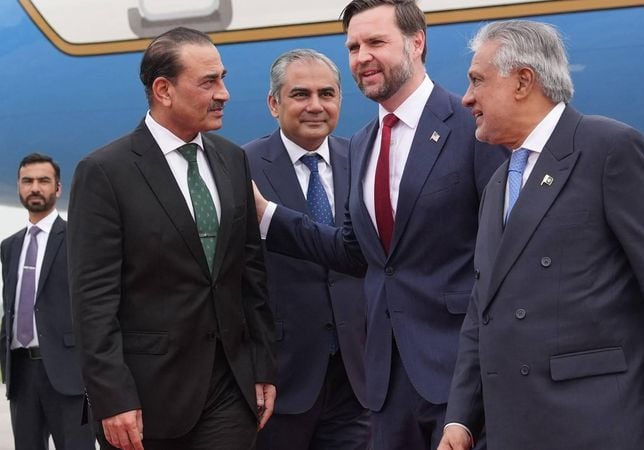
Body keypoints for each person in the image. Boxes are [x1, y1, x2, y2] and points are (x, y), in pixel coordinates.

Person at [437, 20, 644, 450]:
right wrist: (461, 420)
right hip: (514, 428)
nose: (467, 97)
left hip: (597, 424)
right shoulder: (497, 185)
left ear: (523, 81)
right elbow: (483, 310)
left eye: (477, 80)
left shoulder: (610, 149)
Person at [254, 1, 507, 448]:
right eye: (353, 47)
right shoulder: (364, 143)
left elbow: (506, 254)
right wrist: (268, 216)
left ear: (416, 42)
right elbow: (357, 253)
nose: (362, 57)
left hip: (461, 380)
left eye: (375, 42)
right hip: (385, 388)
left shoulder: (473, 127)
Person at [67, 27, 276, 450]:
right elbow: (93, 301)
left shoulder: (232, 159)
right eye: (208, 82)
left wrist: (262, 366)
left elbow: (249, 274)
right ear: (164, 90)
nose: (224, 94)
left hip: (230, 392)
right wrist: (112, 396)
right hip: (147, 401)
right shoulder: (105, 172)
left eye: (223, 79)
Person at [243, 48, 370, 450]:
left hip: (357, 378)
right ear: (273, 103)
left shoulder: (364, 159)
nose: (316, 106)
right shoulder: (242, 167)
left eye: (326, 94)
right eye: (300, 94)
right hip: (280, 381)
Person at [0, 153, 96, 449]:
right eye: (27, 181)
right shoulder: (9, 246)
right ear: (19, 186)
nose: (35, 188)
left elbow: (95, 306)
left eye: (43, 181)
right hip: (22, 377)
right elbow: (11, 307)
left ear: (58, 188)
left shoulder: (78, 239)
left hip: (71, 376)